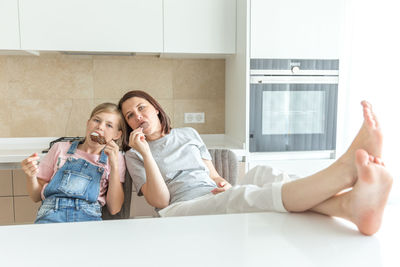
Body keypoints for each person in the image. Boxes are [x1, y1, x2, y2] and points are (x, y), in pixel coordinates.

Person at [118, 90, 392, 236]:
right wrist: (144, 150)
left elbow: (211, 174)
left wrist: (222, 183)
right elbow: (161, 202)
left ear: (155, 107)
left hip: (210, 195)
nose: (137, 116)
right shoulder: (133, 154)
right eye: (130, 116)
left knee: (262, 173)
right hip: (179, 210)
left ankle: (347, 206)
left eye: (141, 107)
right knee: (245, 196)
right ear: (128, 125)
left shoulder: (188, 134)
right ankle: (344, 172)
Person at [21, 103, 126, 223]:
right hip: (50, 215)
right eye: (96, 120)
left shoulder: (116, 157)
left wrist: (114, 165)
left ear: (117, 134)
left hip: (89, 218)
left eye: (109, 125)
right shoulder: (59, 148)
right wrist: (31, 176)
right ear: (88, 123)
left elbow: (115, 208)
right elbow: (36, 197)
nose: (100, 127)